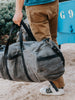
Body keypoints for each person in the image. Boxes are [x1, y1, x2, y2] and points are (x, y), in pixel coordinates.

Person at [13, 0, 65, 95]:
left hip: (36, 6)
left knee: (46, 47)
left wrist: (18, 11)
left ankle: (57, 86)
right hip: (53, 3)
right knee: (52, 42)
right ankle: (58, 78)